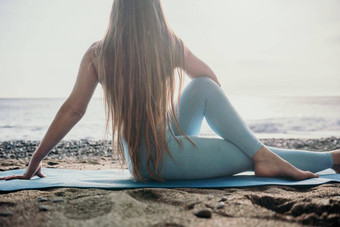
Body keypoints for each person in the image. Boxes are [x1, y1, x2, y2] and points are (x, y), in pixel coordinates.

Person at [1, 0, 339, 182]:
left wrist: (35, 161)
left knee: (209, 98)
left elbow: (73, 110)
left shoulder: (98, 53)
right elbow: (210, 79)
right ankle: (329, 159)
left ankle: (262, 155)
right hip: (160, 163)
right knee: (249, 153)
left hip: (143, 156)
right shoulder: (168, 43)